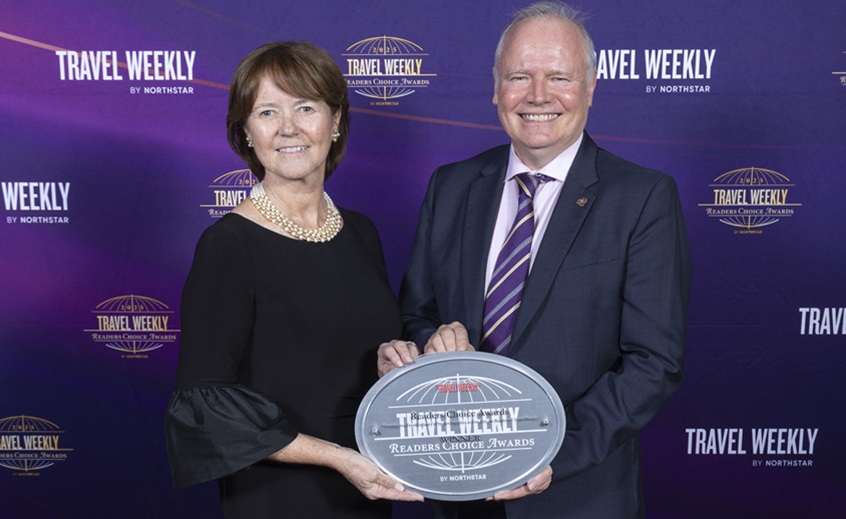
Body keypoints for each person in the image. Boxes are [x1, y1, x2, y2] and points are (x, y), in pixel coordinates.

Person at [378, 2, 692, 518]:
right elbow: (417, 313)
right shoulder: (451, 187)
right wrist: (428, 343)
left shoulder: (642, 197)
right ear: (497, 89)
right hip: (458, 487)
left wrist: (547, 456)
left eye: (559, 77)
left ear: (589, 88)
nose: (538, 95)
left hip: (575, 493)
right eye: (519, 76)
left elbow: (653, 363)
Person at [165, 41, 422, 518]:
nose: (289, 128)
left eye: (306, 107)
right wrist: (338, 458)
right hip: (280, 494)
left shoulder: (361, 231)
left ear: (336, 120)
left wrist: (392, 359)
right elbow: (207, 403)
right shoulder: (228, 246)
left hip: (370, 484)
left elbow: (346, 349)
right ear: (246, 133)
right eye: (266, 112)